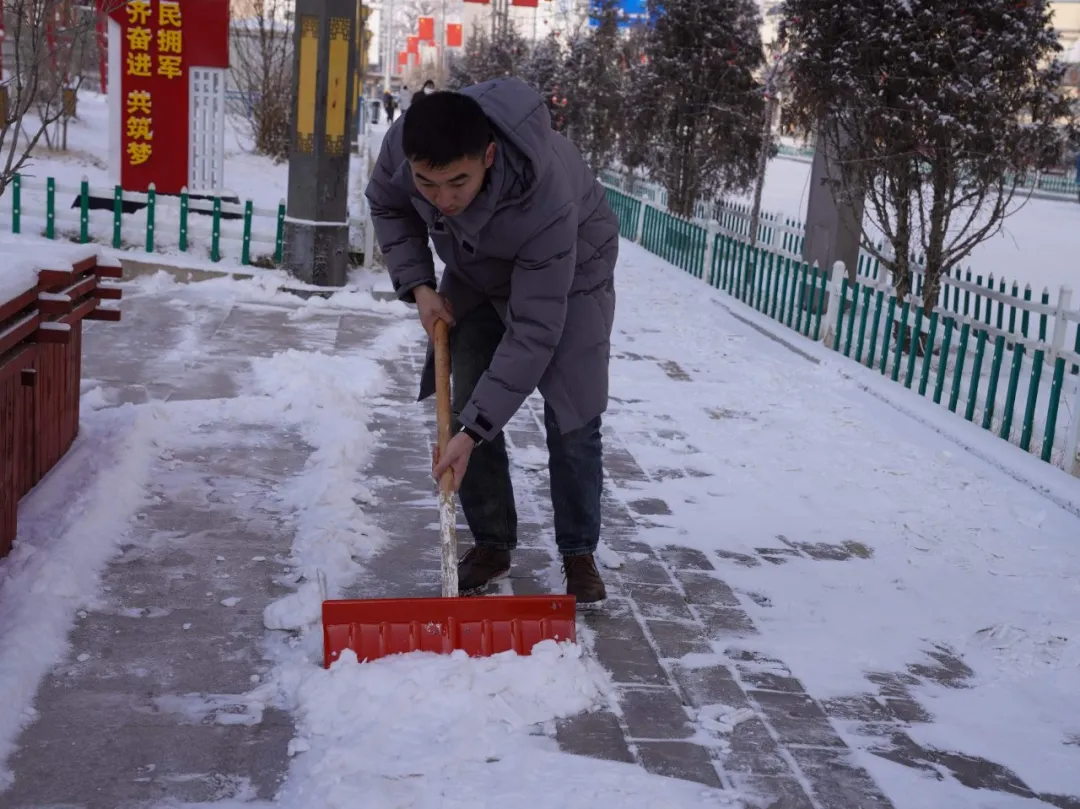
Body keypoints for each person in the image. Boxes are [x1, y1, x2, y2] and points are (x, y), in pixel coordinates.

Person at [364, 78, 619, 604]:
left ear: (489, 155)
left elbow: (534, 331)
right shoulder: (404, 145)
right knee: (468, 400)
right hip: (476, 269)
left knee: (572, 416)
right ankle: (492, 544)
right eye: (428, 185)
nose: (443, 199)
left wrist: (473, 433)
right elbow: (387, 204)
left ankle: (578, 553)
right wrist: (420, 287)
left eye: (458, 182)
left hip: (570, 275)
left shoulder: (544, 196)